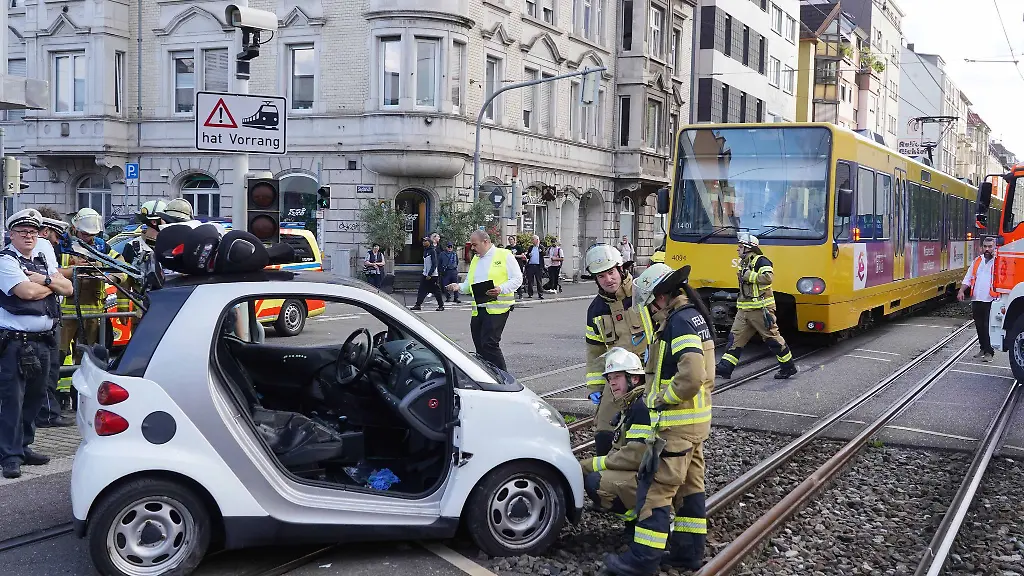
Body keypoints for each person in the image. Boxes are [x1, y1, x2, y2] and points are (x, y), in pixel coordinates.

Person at [595, 262, 714, 575]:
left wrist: (662, 400)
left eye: (650, 304)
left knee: (655, 491)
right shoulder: (696, 317)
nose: (651, 311)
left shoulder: (679, 322)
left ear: (661, 297)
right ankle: (688, 553)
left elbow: (690, 377)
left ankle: (642, 560)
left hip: (677, 425)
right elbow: (707, 378)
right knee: (690, 490)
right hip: (696, 424)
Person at [0, 209, 73, 478]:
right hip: (14, 344)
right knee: (12, 400)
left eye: (32, 232)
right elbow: (25, 292)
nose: (29, 236)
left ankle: (24, 446)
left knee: (34, 399)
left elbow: (69, 289)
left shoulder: (42, 258)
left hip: (43, 341)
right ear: (12, 235)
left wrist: (42, 280)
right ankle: (9, 456)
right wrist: (51, 284)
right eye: (22, 232)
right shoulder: (6, 261)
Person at [584, 244, 654, 457]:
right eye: (601, 276)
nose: (608, 279)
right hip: (617, 375)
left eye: (611, 272)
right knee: (604, 427)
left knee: (650, 424)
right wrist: (595, 386)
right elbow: (595, 351)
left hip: (648, 371)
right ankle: (606, 473)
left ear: (621, 269)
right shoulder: (596, 310)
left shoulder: (643, 294)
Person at [57, 208, 124, 410]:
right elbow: (52, 272)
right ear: (75, 228)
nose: (89, 238)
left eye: (92, 235)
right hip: (65, 313)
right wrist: (75, 270)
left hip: (93, 314)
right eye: (85, 234)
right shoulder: (62, 247)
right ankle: (57, 400)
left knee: (86, 359)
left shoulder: (102, 247)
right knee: (60, 356)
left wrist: (112, 277)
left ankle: (79, 400)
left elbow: (122, 266)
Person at [715, 233, 797, 380]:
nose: (737, 249)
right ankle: (725, 368)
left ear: (748, 248)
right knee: (735, 339)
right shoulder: (744, 263)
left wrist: (748, 276)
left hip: (760, 310)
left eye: (740, 247)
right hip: (744, 310)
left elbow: (768, 278)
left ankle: (788, 367)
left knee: (772, 339)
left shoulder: (762, 261)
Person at [445, 230, 522, 372]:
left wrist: (501, 289)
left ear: (485, 242)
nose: (473, 248)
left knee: (489, 343)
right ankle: (487, 376)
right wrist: (458, 287)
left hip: (498, 308)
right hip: (478, 309)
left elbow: (517, 279)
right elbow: (469, 285)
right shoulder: (476, 259)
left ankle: (503, 378)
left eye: (475, 245)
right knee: (480, 345)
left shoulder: (504, 255)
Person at [32, 210, 74, 428]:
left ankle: (45, 413)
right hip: (45, 313)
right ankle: (47, 414)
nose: (58, 241)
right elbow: (56, 279)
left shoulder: (34, 247)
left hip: (43, 312)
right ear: (46, 230)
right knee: (48, 369)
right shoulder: (43, 245)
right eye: (56, 235)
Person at [958, 236, 998, 361]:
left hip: (991, 299)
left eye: (990, 247)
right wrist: (961, 290)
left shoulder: (998, 261)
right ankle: (983, 348)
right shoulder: (977, 261)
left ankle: (989, 352)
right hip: (977, 298)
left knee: (987, 326)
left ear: (994, 247)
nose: (987, 249)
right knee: (979, 325)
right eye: (985, 246)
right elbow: (968, 278)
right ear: (981, 247)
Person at [411, 236, 444, 311]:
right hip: (425, 274)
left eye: (425, 241)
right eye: (423, 241)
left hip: (432, 275)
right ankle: (418, 305)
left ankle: (441, 305)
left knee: (436, 291)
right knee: (421, 290)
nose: (423, 242)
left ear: (429, 242)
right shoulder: (425, 251)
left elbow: (434, 264)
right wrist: (426, 273)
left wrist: (430, 274)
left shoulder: (432, 251)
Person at [519, 235, 545, 299]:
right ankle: (530, 293)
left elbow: (544, 254)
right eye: (532, 240)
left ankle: (540, 294)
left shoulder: (541, 247)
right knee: (530, 281)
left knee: (539, 280)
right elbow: (527, 255)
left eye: (533, 239)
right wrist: (528, 255)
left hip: (538, 266)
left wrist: (541, 251)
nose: (532, 241)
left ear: (537, 240)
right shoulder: (531, 247)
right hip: (531, 265)